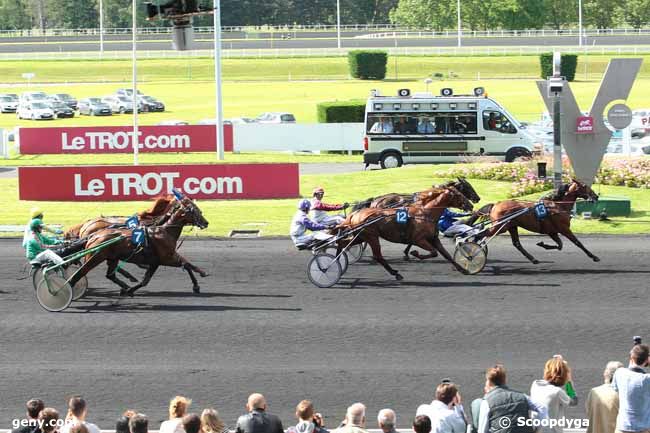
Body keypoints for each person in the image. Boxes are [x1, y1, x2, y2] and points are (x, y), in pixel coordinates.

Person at [477, 364, 547, 433]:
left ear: (489, 382)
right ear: (504, 380)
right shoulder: (522, 396)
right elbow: (542, 407)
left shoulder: (487, 402)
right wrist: (537, 430)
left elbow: (482, 430)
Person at [529, 356, 578, 433]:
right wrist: (569, 380)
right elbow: (574, 401)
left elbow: (549, 382)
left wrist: (557, 364)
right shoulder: (557, 392)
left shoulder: (535, 385)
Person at [611, 343, 650, 433]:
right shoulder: (647, 379)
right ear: (646, 360)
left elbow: (615, 389)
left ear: (631, 357)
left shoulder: (619, 372)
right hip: (643, 429)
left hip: (623, 427)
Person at [586, 361, 624, 433]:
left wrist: (568, 383)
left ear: (605, 374)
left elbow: (588, 411)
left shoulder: (593, 392)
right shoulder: (622, 394)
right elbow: (573, 400)